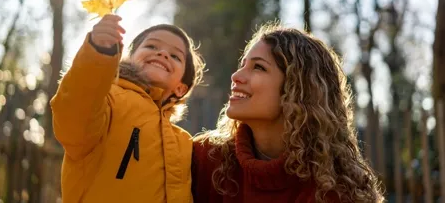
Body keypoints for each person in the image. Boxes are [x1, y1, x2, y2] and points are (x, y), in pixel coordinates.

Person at [192, 22, 383, 203]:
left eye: (258, 67)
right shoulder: (204, 159)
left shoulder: (337, 190)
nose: (236, 76)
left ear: (298, 89)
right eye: (243, 65)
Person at [51, 14, 205, 203]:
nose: (163, 54)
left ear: (181, 88)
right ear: (130, 58)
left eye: (175, 56)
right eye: (152, 46)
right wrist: (98, 55)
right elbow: (75, 114)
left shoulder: (185, 142)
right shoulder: (109, 99)